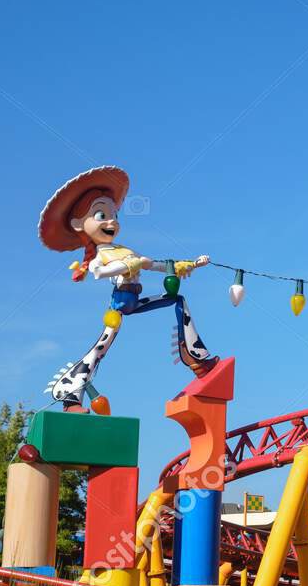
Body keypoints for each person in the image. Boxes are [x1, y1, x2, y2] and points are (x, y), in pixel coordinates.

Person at [37, 165, 216, 410]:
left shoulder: (124, 251)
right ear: (79, 224)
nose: (111, 221)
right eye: (102, 215)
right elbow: (99, 272)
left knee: (178, 300)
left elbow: (157, 265)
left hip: (134, 301)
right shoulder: (101, 255)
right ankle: (70, 395)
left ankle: (195, 357)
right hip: (119, 306)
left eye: (114, 216)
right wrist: (129, 265)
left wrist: (192, 263)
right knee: (99, 350)